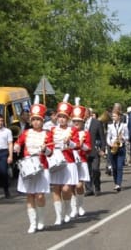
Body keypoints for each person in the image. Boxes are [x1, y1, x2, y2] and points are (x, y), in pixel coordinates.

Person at [14, 102, 53, 233]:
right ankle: (32, 223)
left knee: (40, 196)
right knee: (30, 195)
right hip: (28, 166)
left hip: (42, 166)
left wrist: (45, 149)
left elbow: (50, 153)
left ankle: (41, 220)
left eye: (39, 120)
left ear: (42, 121)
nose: (36, 122)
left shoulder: (48, 134)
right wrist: (17, 147)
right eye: (34, 120)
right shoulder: (26, 133)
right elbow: (18, 143)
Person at [49, 95, 80, 225]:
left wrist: (70, 143)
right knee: (56, 188)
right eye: (60, 117)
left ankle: (67, 210)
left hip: (68, 161)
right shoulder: (51, 130)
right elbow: (48, 144)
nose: (61, 119)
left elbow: (77, 145)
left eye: (64, 117)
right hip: (55, 160)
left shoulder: (72, 130)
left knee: (66, 189)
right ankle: (58, 216)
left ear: (68, 119)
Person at [69, 99, 91, 217]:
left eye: (79, 121)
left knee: (79, 185)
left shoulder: (85, 133)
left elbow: (88, 148)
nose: (76, 123)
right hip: (70, 161)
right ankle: (74, 208)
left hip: (81, 161)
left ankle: (80, 205)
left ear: (82, 122)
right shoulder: (69, 132)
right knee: (72, 184)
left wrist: (82, 144)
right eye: (74, 121)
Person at [84, 107, 107, 196]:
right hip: (84, 152)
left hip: (95, 151)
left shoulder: (97, 123)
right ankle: (89, 189)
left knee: (95, 169)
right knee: (86, 171)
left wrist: (102, 149)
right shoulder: (80, 123)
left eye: (84, 113)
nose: (83, 114)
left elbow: (102, 137)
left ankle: (97, 187)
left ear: (89, 113)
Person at [106, 110, 129, 192]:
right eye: (112, 116)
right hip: (113, 147)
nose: (113, 118)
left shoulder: (124, 126)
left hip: (121, 147)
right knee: (114, 167)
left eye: (115, 116)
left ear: (119, 116)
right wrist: (110, 144)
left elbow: (127, 136)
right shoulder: (110, 126)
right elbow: (108, 137)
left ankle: (118, 184)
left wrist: (123, 138)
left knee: (119, 167)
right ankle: (116, 182)